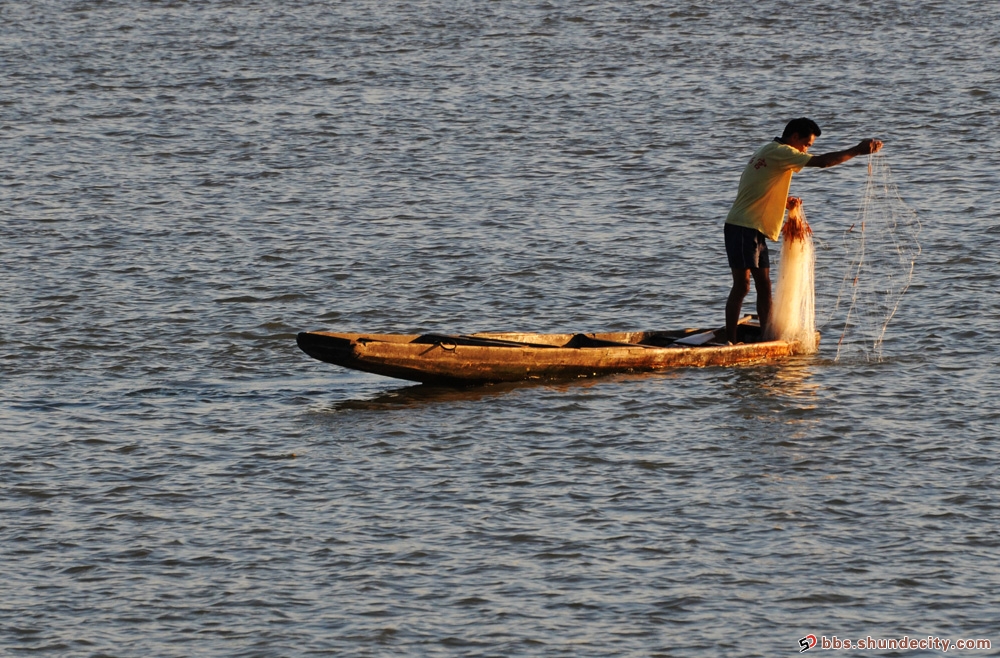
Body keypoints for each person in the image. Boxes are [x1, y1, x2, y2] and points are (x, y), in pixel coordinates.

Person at [723, 118, 883, 343]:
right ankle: (730, 341)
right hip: (742, 226)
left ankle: (768, 338)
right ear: (794, 137)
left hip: (755, 227)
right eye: (806, 144)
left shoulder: (769, 149)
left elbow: (758, 185)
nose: (806, 149)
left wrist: (782, 201)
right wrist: (857, 150)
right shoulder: (781, 151)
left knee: (765, 286)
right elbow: (822, 162)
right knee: (742, 286)